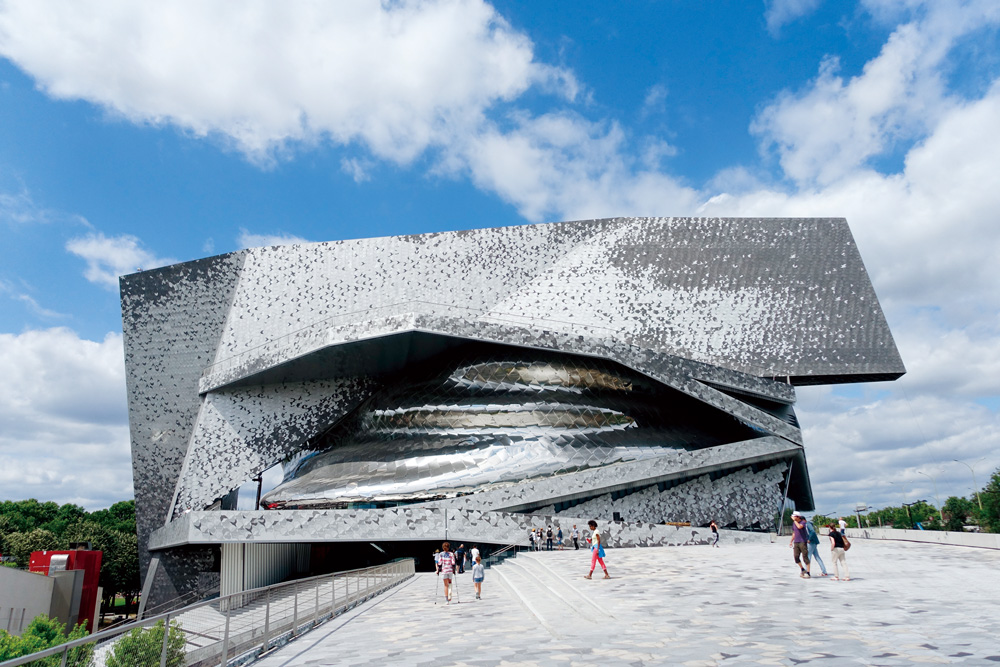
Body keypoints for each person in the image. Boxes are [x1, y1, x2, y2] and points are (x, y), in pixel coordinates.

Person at [789, 511, 811, 578]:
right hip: (796, 542)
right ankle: (802, 569)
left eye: (794, 516)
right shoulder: (794, 523)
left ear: (798, 517)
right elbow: (794, 533)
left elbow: (799, 527)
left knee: (805, 557)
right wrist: (791, 541)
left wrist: (795, 521)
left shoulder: (803, 522)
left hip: (802, 542)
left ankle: (808, 572)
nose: (793, 517)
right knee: (796, 557)